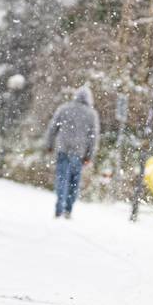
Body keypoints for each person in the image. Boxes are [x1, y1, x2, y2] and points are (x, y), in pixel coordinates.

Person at [45, 85, 99, 219]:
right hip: (79, 153)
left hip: (63, 149)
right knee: (74, 183)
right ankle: (68, 209)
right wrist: (89, 155)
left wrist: (49, 144)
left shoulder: (65, 108)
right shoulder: (91, 114)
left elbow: (53, 128)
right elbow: (93, 137)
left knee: (62, 179)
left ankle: (59, 208)